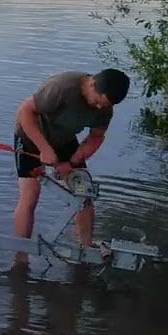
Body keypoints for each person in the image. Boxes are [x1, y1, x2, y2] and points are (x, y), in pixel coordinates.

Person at [12, 69, 130, 266]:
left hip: (65, 140)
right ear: (93, 85)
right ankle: (21, 257)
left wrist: (72, 163)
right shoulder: (61, 87)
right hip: (30, 137)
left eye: (105, 105)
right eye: (98, 101)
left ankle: (86, 248)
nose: (100, 107)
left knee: (83, 190)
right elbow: (25, 111)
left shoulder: (105, 109)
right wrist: (44, 149)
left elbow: (96, 137)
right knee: (30, 196)